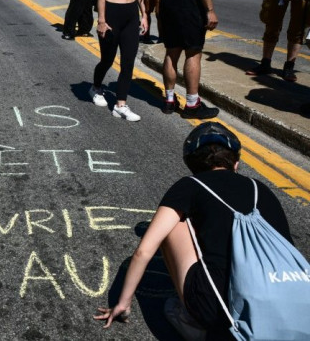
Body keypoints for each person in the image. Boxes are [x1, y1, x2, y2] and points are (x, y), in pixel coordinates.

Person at [94, 122, 294, 339]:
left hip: (219, 313)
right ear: (236, 163)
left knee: (171, 226)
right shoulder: (261, 188)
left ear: (192, 164)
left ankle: (191, 320)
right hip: (290, 301)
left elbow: (144, 251)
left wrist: (122, 303)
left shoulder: (190, 185)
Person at [88, 0, 147, 122]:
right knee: (107, 59)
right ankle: (96, 87)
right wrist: (102, 20)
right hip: (111, 14)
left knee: (128, 61)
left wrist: (145, 15)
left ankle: (121, 105)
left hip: (131, 15)